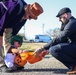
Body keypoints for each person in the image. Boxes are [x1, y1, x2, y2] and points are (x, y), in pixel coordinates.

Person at [34, 7, 76, 74]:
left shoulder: (73, 23)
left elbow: (60, 38)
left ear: (65, 15)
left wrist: (42, 48)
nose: (59, 20)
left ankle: (74, 66)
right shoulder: (70, 23)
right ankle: (74, 66)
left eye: (60, 18)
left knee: (54, 50)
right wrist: (47, 49)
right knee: (53, 49)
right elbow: (63, 40)